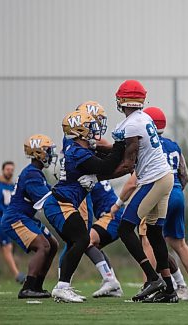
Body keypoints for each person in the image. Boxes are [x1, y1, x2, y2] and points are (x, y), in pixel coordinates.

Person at [42, 110, 124, 303]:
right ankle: (62, 286)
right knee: (81, 240)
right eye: (89, 126)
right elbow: (107, 166)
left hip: (63, 204)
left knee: (79, 241)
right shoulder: (78, 152)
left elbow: (101, 164)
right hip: (60, 204)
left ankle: (63, 286)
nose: (93, 129)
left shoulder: (77, 149)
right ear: (78, 130)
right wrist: (120, 145)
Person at [110, 80, 177, 303]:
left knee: (124, 228)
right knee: (155, 232)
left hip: (154, 180)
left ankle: (152, 278)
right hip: (165, 177)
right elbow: (126, 152)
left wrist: (98, 175)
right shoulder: (143, 118)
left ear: (122, 99)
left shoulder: (131, 125)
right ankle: (169, 289)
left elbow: (128, 164)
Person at [143, 106, 188, 301]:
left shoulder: (147, 145)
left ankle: (153, 283)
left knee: (148, 239)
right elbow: (184, 175)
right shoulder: (174, 145)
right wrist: (177, 193)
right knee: (178, 243)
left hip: (159, 194)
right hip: (177, 192)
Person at [1, 134, 59, 298]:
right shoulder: (32, 174)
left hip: (25, 216)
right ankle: (27, 288)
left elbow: (51, 192)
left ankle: (37, 286)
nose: (51, 154)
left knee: (52, 244)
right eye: (48, 150)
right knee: (43, 246)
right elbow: (46, 200)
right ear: (38, 153)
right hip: (15, 218)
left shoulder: (35, 172)